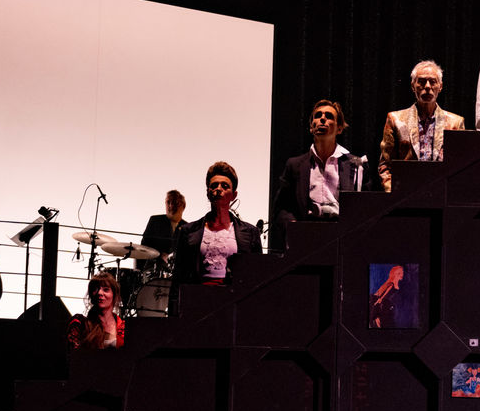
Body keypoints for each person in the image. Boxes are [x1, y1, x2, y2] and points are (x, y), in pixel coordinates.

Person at [272, 99, 372, 250]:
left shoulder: (356, 165)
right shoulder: (295, 165)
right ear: (311, 127)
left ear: (339, 128)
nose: (322, 119)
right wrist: (293, 227)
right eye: (317, 116)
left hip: (341, 239)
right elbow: (281, 208)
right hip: (306, 237)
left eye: (329, 116)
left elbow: (366, 208)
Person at [172, 162, 263, 301]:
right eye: (214, 185)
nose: (219, 189)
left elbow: (257, 277)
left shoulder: (251, 232)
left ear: (234, 195)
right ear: (208, 193)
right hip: (198, 299)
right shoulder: (188, 231)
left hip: (234, 301)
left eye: (225, 186)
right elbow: (178, 277)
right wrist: (174, 311)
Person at [377, 61, 466, 192]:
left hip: (441, 193)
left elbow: (460, 165)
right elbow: (385, 166)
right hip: (405, 194)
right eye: (422, 82)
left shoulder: (455, 123)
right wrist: (394, 194)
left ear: (440, 86)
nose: (427, 86)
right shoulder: (395, 119)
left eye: (432, 82)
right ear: (413, 86)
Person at [67, 272, 125, 350]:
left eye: (106, 289)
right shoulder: (79, 323)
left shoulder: (123, 327)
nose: (99, 293)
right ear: (91, 295)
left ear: (114, 295)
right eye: (95, 289)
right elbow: (74, 354)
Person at [139, 190, 186, 265]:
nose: (171, 205)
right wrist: (161, 255)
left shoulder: (188, 227)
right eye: (168, 202)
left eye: (175, 202)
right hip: (154, 268)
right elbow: (144, 247)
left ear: (183, 206)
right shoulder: (155, 220)